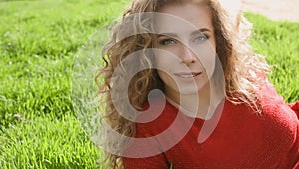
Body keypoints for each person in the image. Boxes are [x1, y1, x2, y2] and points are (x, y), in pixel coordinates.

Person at [96, 0, 299, 168]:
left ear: (218, 41)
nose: (188, 56)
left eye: (200, 37)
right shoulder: (150, 131)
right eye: (168, 41)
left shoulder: (242, 74)